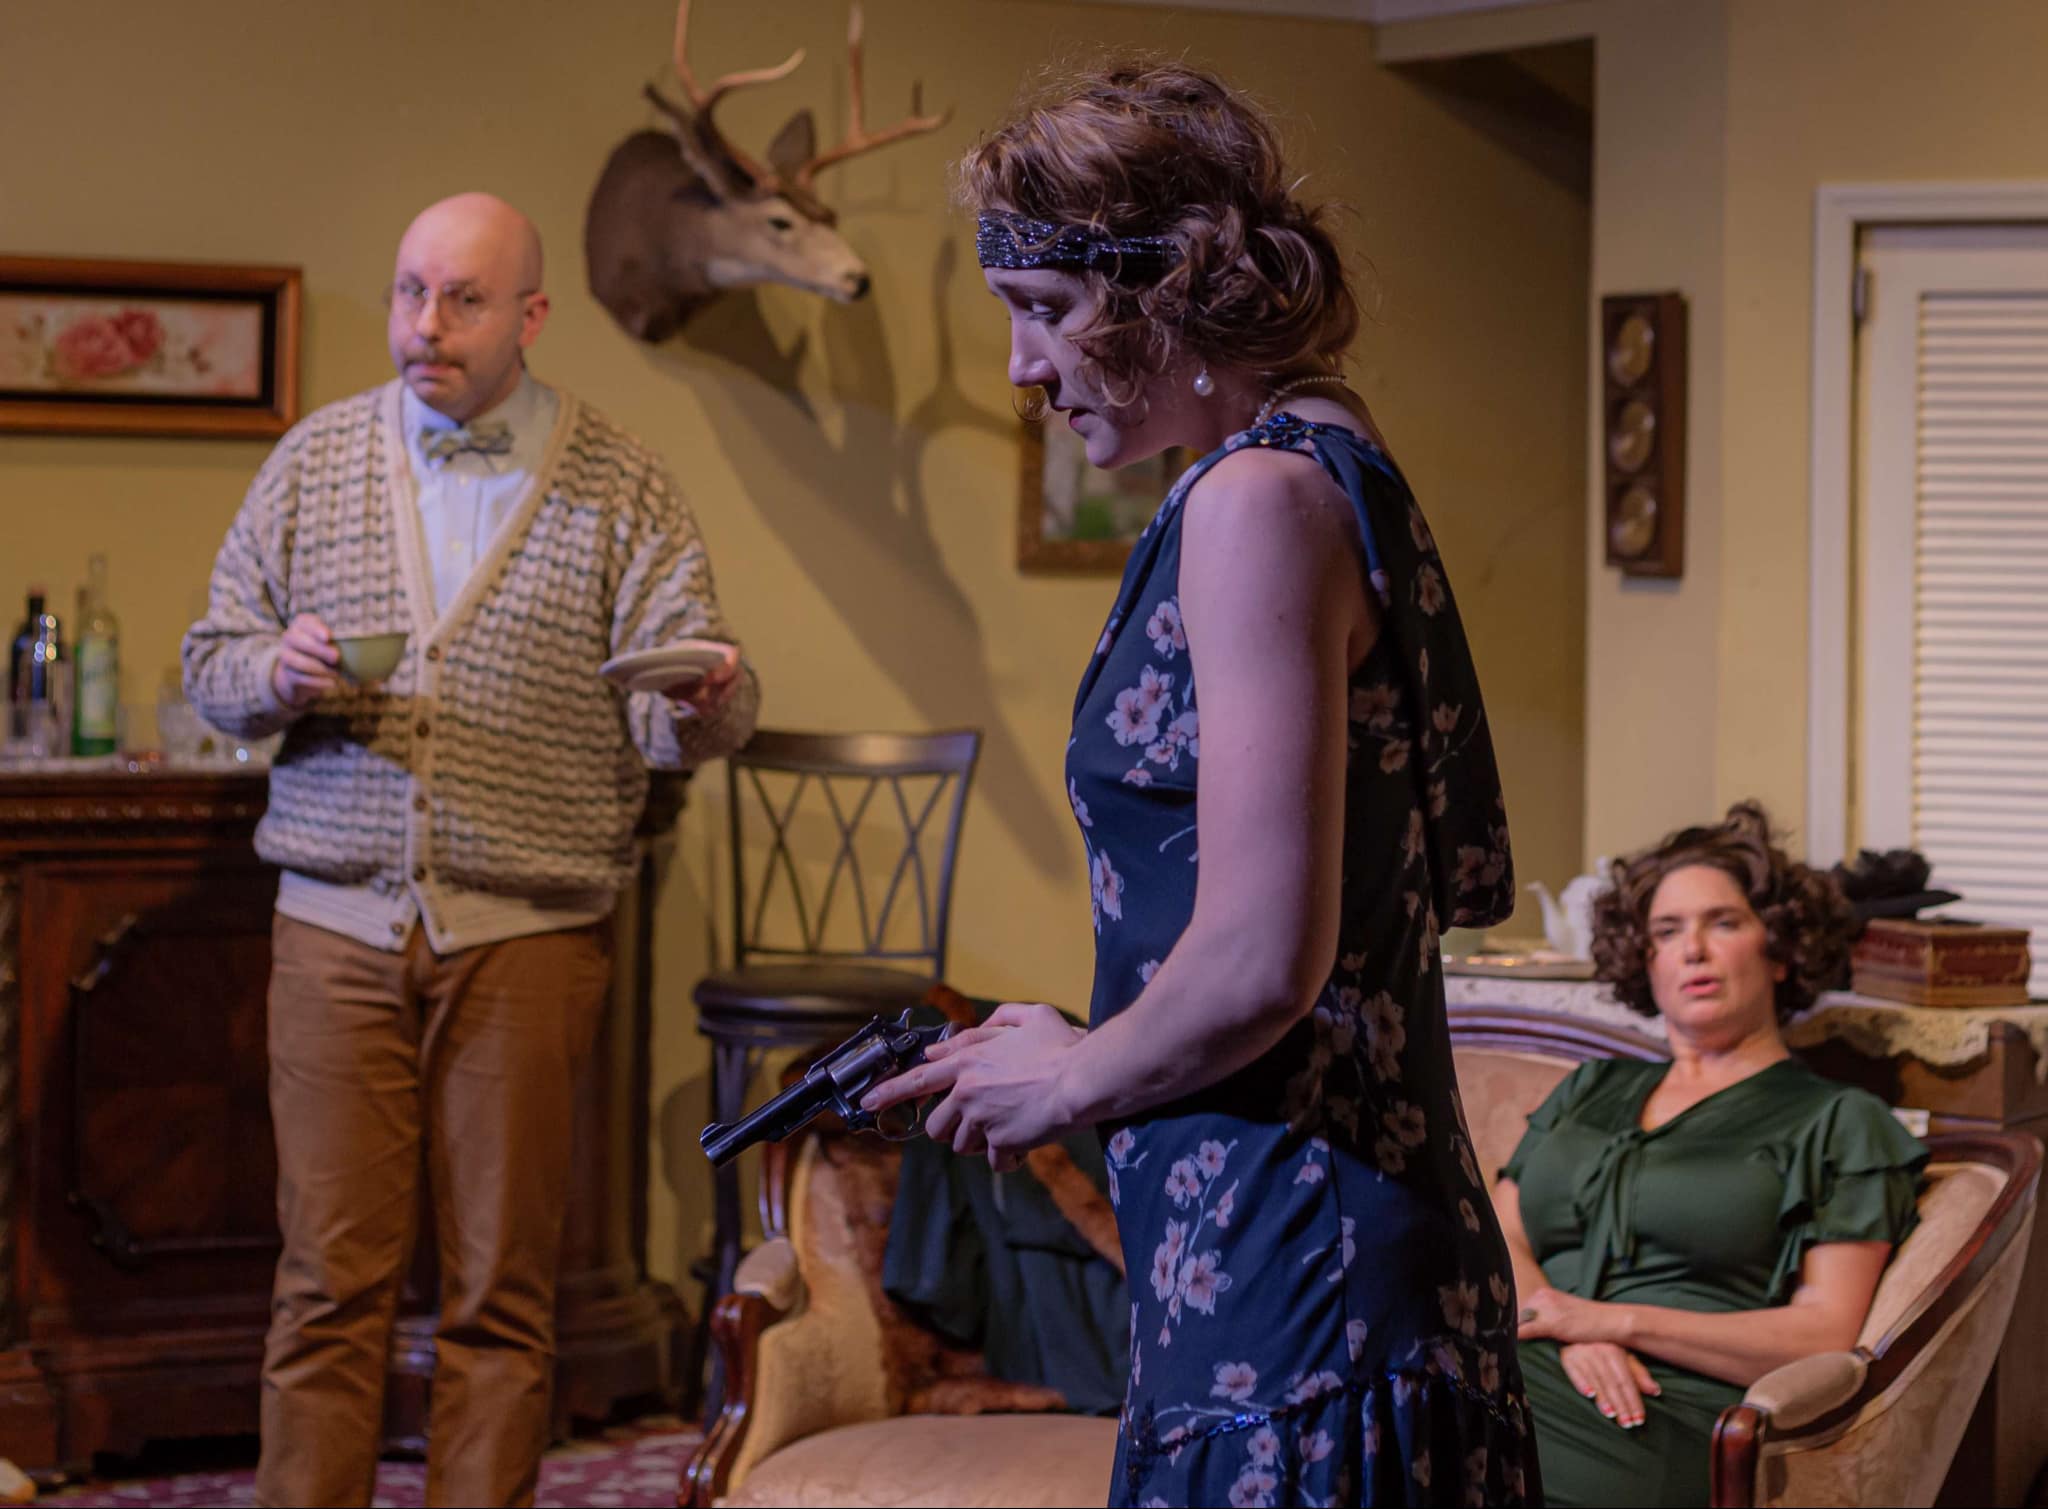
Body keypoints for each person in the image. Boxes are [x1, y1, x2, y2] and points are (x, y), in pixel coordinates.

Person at [867, 63, 1535, 1506]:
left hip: (1295, 1245)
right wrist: (1077, 1032)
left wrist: (1067, 1080)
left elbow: (1258, 964)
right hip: (1290, 1233)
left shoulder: (1255, 502)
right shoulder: (1320, 451)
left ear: (1166, 290)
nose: (1019, 368)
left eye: (1043, 307)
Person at [183, 192, 759, 1508]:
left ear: (531, 316)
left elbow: (679, 710)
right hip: (335, 926)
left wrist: (703, 704)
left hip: (530, 936)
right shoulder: (314, 461)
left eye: (463, 299)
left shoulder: (621, 482)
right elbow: (212, 665)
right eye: (410, 291)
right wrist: (272, 671)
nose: (424, 325)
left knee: (502, 1295)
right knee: (325, 1284)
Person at [1492, 803, 1926, 1507]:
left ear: (1779, 950)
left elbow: (1825, 1334)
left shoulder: (1840, 1120)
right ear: (1645, 957)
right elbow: (1496, 1232)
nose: (1692, 949)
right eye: (1667, 931)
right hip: (1524, 1366)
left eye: (1722, 923)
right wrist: (1565, 1329)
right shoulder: (1589, 1088)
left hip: (1661, 1412)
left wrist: (1613, 1322)